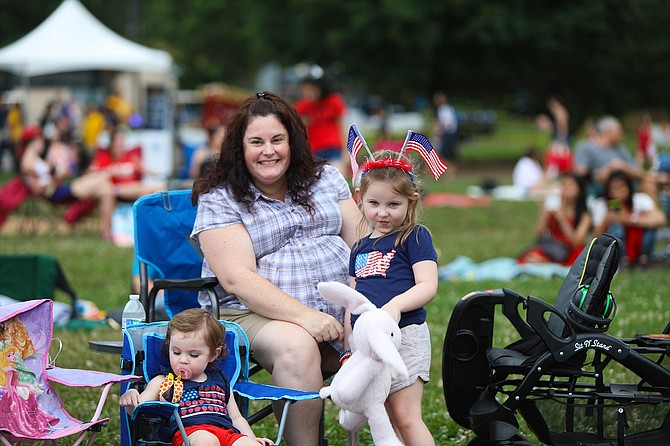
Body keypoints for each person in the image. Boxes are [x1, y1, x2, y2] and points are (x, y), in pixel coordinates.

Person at [190, 91, 361, 445]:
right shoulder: (221, 197)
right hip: (248, 312)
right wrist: (307, 317)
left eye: (277, 139)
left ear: (293, 141)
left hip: (340, 309)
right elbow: (237, 278)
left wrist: (357, 308)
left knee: (394, 328)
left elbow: (363, 247)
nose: (268, 150)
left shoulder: (326, 179)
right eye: (256, 141)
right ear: (240, 147)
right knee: (298, 346)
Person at [346, 151, 438, 445]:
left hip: (405, 337)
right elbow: (352, 300)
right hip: (368, 346)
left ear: (411, 200)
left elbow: (427, 285)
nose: (382, 213)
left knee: (405, 416)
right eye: (374, 203)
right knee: (382, 417)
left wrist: (395, 306)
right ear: (359, 198)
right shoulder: (359, 247)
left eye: (393, 204)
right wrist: (348, 347)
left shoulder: (414, 236)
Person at [119, 309, 274, 446]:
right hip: (190, 435)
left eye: (193, 354)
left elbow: (236, 418)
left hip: (227, 433)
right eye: (176, 352)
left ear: (214, 354)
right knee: (206, 440)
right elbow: (139, 409)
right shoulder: (165, 380)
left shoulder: (221, 380)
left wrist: (252, 438)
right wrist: (131, 399)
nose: (183, 360)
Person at [19, 126, 116, 239]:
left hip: (59, 189)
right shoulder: (27, 162)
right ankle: (107, 231)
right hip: (54, 193)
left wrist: (58, 175)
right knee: (102, 181)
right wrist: (54, 178)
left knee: (106, 189)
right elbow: (36, 188)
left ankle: (107, 230)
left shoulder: (36, 159)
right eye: (40, 140)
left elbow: (48, 176)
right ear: (33, 142)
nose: (42, 143)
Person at [572, 115, 664, 198]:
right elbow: (580, 173)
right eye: (619, 130)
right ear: (607, 132)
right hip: (603, 189)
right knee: (617, 186)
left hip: (627, 185)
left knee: (648, 185)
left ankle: (654, 214)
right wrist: (603, 172)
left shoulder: (620, 148)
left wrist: (621, 167)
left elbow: (635, 169)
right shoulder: (586, 147)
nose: (622, 134)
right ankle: (654, 178)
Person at [592, 170, 667, 267]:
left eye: (621, 187)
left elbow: (660, 219)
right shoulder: (602, 204)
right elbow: (596, 237)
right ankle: (622, 260)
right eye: (613, 188)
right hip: (621, 246)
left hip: (638, 243)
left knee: (650, 225)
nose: (618, 192)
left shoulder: (640, 200)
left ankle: (644, 259)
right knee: (616, 227)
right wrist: (606, 220)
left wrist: (631, 220)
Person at [518, 174, 592, 265]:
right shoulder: (554, 207)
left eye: (570, 185)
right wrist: (543, 216)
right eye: (563, 185)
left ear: (579, 190)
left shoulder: (585, 215)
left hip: (571, 251)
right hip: (553, 248)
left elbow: (577, 242)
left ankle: (548, 263)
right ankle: (547, 262)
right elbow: (538, 235)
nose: (565, 189)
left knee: (578, 257)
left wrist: (562, 221)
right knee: (530, 256)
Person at [88, 127, 165, 201]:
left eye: (122, 141)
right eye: (118, 141)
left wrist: (147, 170)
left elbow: (150, 171)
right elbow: (92, 175)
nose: (121, 144)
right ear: (111, 143)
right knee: (107, 191)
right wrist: (111, 172)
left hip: (134, 189)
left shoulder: (131, 157)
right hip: (113, 190)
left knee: (160, 188)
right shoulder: (104, 158)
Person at [294, 77, 348, 175]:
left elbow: (342, 127)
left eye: (311, 90)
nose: (308, 93)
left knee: (338, 176)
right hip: (313, 151)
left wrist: (346, 152)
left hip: (334, 148)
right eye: (305, 90)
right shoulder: (302, 106)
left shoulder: (334, 101)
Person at [432, 91, 459, 168]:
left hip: (448, 134)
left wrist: (437, 128)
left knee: (447, 155)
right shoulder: (446, 108)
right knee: (447, 154)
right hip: (449, 134)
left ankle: (451, 173)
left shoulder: (443, 109)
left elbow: (447, 123)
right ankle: (450, 172)